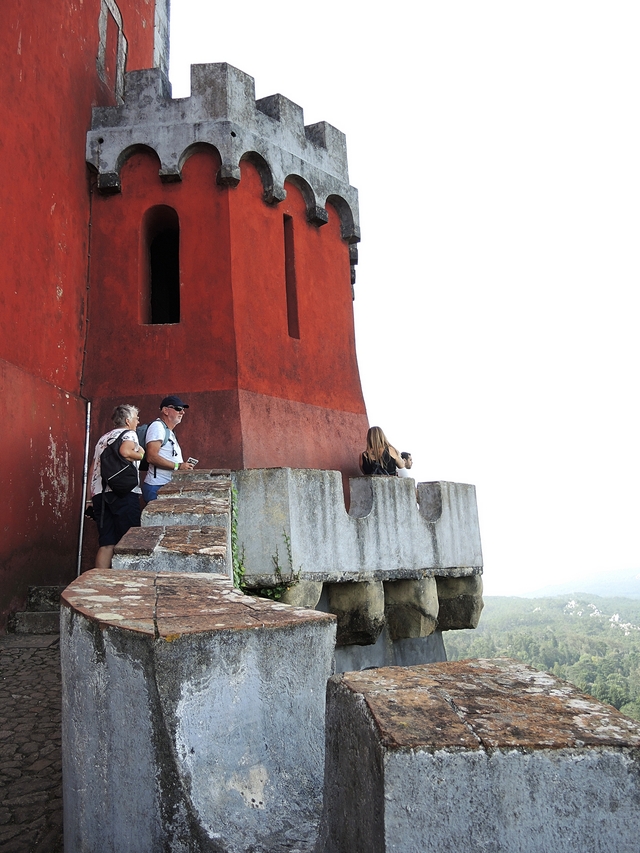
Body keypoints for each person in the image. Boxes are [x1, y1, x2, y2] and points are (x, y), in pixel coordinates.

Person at [87, 404, 145, 568]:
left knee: (106, 543)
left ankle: (101, 583)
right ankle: (125, 583)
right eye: (136, 418)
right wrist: (141, 454)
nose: (138, 421)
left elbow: (93, 469)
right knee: (129, 540)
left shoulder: (102, 439)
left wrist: (89, 499)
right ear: (128, 421)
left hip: (100, 494)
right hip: (123, 492)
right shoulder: (130, 434)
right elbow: (125, 452)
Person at [142, 395, 194, 503]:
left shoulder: (168, 431)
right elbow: (151, 457)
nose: (182, 412)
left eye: (183, 410)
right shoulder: (158, 427)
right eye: (178, 409)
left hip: (165, 486)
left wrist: (183, 466)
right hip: (157, 486)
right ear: (165, 410)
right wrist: (178, 466)